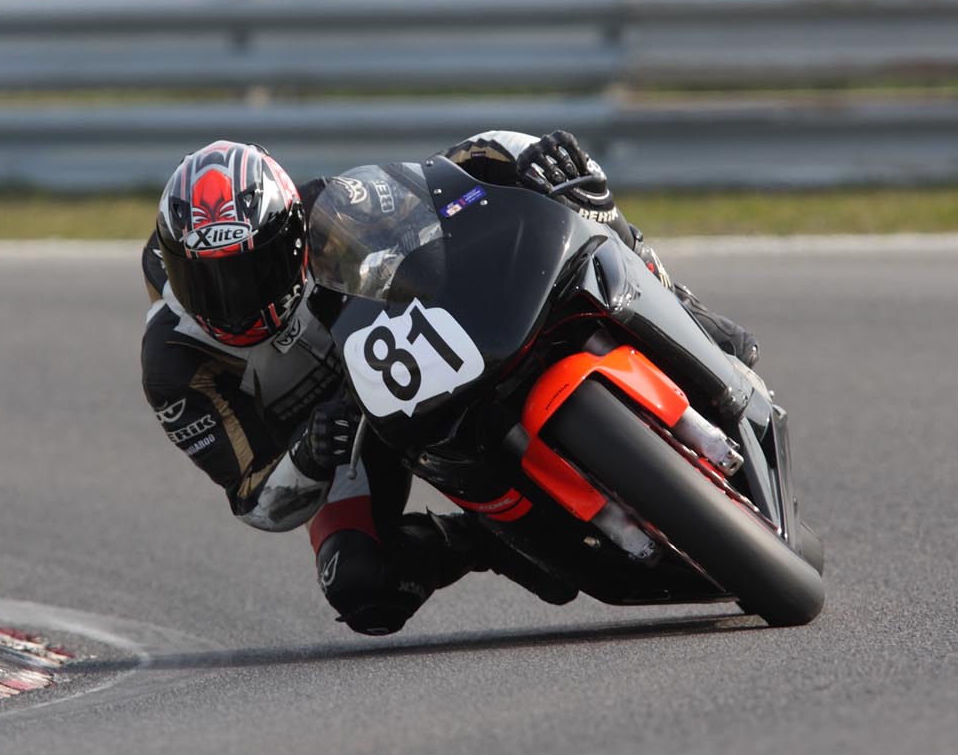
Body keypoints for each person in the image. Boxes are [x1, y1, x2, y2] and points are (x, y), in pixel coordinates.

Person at [140, 131, 759, 636]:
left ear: (291, 235)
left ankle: (680, 302)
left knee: (554, 181)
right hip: (344, 437)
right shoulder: (174, 364)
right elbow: (254, 497)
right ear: (175, 272)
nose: (237, 302)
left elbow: (452, 178)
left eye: (252, 272)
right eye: (210, 284)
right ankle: (488, 538)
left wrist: (533, 168)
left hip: (429, 348)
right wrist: (307, 454)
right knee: (362, 586)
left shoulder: (330, 210)